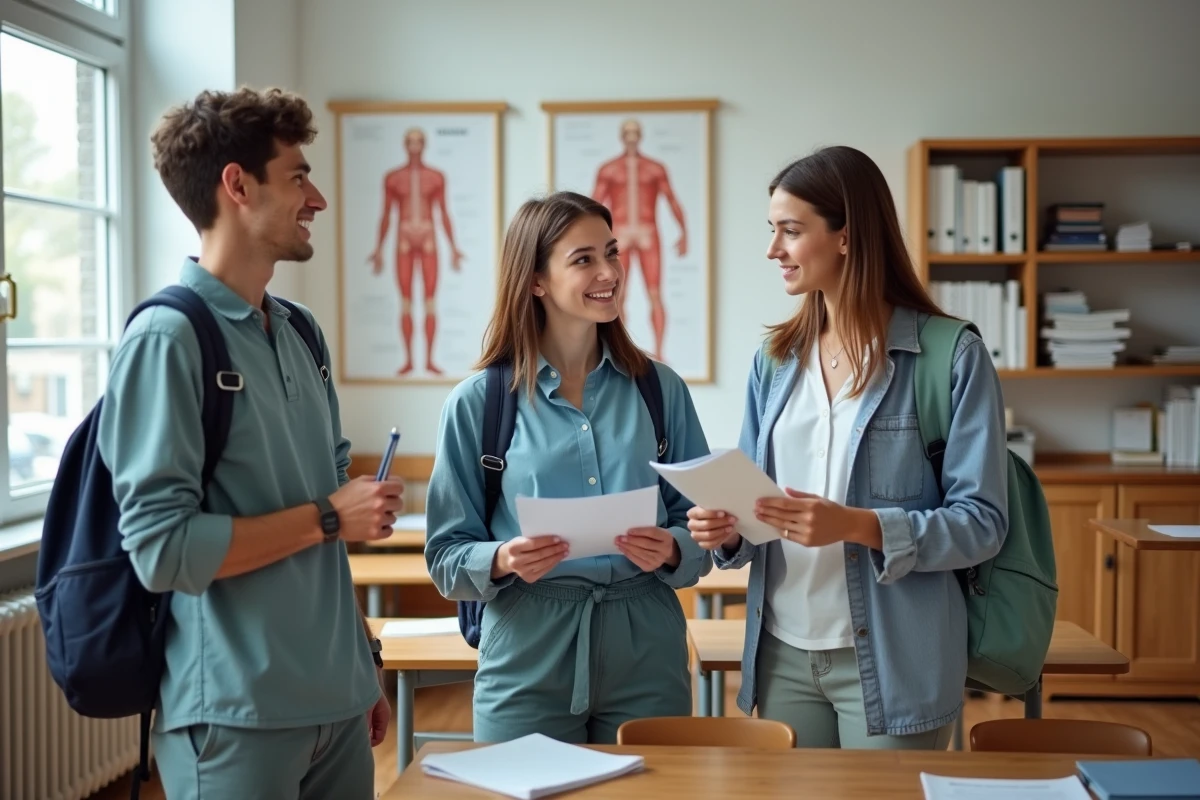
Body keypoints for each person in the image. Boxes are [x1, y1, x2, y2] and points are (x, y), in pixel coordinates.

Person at [99, 87, 403, 798]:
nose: (317, 198)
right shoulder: (166, 339)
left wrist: (360, 662)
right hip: (235, 717)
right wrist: (331, 516)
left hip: (337, 702)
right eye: (298, 176)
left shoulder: (300, 332)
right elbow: (162, 551)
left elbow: (326, 526)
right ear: (238, 185)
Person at [687, 146, 1008, 750]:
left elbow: (982, 525)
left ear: (845, 236)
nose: (772, 250)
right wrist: (728, 529)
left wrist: (855, 525)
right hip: (782, 651)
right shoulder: (775, 360)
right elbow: (756, 506)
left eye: (790, 231)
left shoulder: (950, 356)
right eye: (772, 230)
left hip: (896, 661)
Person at [425, 191, 711, 744]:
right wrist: (503, 558)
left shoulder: (660, 389)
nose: (609, 272)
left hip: (646, 640)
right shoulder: (477, 403)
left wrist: (676, 546)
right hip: (527, 643)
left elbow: (699, 518)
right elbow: (445, 557)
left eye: (612, 252)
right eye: (583, 260)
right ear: (536, 281)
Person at [368, 126, 465, 376]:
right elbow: (386, 215)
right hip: (403, 238)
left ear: (424, 145)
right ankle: (410, 360)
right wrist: (378, 248)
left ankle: (430, 360)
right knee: (406, 302)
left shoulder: (436, 176)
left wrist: (454, 247)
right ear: (404, 145)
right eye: (410, 141)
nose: (414, 146)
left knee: (431, 302)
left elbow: (443, 211)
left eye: (418, 141)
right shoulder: (393, 178)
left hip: (428, 237)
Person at [591, 119, 687, 362]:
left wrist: (683, 231)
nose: (632, 137)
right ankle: (618, 350)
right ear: (622, 136)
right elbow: (592, 206)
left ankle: (660, 352)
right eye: (628, 133)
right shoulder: (609, 169)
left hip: (647, 231)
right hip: (620, 234)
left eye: (635, 132)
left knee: (654, 293)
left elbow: (672, 199)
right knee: (617, 295)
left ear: (640, 135)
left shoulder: (654, 168)